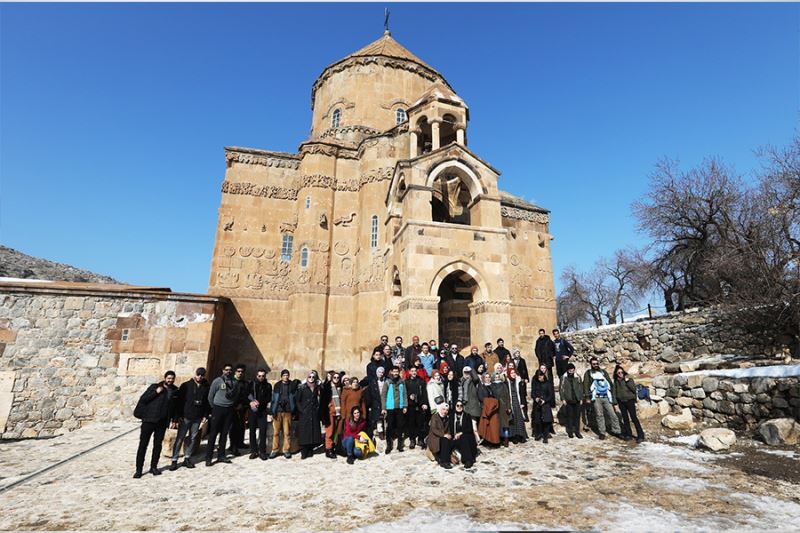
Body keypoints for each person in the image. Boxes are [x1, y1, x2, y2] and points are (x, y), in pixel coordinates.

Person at [133, 370, 178, 478]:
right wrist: (156, 392)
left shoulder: (175, 390)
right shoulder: (155, 387)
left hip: (162, 422)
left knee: (157, 446)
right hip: (149, 420)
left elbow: (175, 407)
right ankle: (139, 469)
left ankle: (154, 467)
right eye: (168, 378)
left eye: (172, 378)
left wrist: (174, 420)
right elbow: (143, 399)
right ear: (165, 378)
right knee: (143, 445)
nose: (170, 380)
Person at [170, 367, 210, 470]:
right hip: (185, 417)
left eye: (202, 375)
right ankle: (174, 460)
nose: (200, 377)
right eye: (198, 374)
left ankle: (187, 458)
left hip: (197, 417)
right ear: (195, 374)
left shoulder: (206, 387)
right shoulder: (186, 385)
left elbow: (207, 402)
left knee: (193, 438)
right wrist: (176, 418)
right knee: (180, 438)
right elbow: (179, 402)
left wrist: (205, 415)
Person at [205, 364, 241, 466]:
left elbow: (236, 395)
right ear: (223, 370)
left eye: (230, 370)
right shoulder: (217, 381)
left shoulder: (234, 382)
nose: (228, 371)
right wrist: (214, 407)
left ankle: (221, 455)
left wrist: (231, 404)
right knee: (213, 434)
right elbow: (210, 396)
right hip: (218, 408)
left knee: (224, 433)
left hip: (229, 409)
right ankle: (209, 457)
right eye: (226, 370)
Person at [583, 357, 621, 440]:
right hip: (596, 397)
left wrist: (613, 397)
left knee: (612, 414)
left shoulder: (603, 372)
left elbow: (610, 384)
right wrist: (587, 397)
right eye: (594, 364)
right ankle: (602, 432)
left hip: (606, 396)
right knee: (599, 415)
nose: (595, 365)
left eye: (597, 363)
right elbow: (585, 385)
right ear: (591, 364)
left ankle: (617, 431)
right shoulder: (588, 373)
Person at [612, 365, 645, 442]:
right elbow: (614, 392)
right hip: (621, 402)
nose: (620, 374)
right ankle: (628, 434)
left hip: (630, 401)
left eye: (621, 372)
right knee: (625, 419)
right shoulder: (616, 381)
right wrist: (615, 403)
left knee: (634, 418)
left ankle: (640, 435)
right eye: (618, 373)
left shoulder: (629, 379)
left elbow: (633, 389)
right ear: (616, 374)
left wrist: (627, 381)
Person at [245, 368, 272, 460]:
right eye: (259, 376)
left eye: (263, 376)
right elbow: (246, 395)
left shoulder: (268, 386)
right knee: (252, 431)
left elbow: (269, 397)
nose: (261, 377)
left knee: (263, 431)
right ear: (256, 376)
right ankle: (253, 451)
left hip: (262, 410)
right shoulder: (251, 384)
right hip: (252, 411)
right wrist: (250, 402)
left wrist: (259, 402)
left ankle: (262, 451)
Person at [381, 366, 408, 453]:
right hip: (390, 407)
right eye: (394, 371)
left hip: (399, 407)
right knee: (390, 427)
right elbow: (383, 395)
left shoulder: (402, 382)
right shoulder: (388, 382)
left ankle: (400, 445)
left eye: (397, 371)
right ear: (391, 372)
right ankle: (389, 445)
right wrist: (383, 407)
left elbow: (404, 394)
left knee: (400, 426)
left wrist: (405, 406)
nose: (396, 373)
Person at [296, 371, 322, 459]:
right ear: (307, 377)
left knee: (312, 431)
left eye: (313, 377)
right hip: (305, 413)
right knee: (304, 432)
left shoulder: (317, 387)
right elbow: (297, 401)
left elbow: (319, 398)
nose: (311, 378)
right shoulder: (302, 388)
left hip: (313, 412)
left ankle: (310, 449)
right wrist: (301, 410)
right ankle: (304, 450)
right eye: (309, 377)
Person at [270, 369, 295, 459]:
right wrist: (272, 411)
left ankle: (286, 450)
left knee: (287, 432)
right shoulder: (277, 385)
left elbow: (294, 397)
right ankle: (275, 450)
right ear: (281, 376)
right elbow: (273, 399)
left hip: (288, 411)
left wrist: (293, 409)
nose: (286, 376)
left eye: (287, 375)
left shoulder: (292, 385)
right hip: (278, 411)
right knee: (276, 432)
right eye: (284, 375)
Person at [320, 371, 344, 459]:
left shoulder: (340, 388)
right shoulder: (327, 387)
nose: (336, 379)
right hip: (329, 413)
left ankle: (333, 447)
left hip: (338, 413)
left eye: (338, 378)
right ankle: (328, 449)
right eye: (335, 377)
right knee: (329, 432)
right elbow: (323, 401)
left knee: (335, 432)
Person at [405, 366, 429, 449]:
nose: (414, 372)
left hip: (420, 405)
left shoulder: (421, 381)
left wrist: (425, 403)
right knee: (411, 423)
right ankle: (412, 439)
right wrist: (409, 396)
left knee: (421, 423)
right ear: (409, 372)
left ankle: (420, 439)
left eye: (415, 371)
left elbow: (425, 393)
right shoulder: (406, 382)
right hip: (411, 405)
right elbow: (405, 393)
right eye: (412, 371)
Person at [227, 364, 249, 456]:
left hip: (242, 408)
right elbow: (228, 395)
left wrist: (244, 405)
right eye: (238, 371)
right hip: (232, 408)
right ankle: (233, 446)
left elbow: (246, 395)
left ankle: (240, 442)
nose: (240, 373)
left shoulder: (245, 383)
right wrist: (234, 405)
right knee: (233, 428)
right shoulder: (230, 382)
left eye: (242, 372)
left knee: (241, 426)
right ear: (235, 372)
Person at [449, 400, 477, 468]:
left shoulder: (467, 416)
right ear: (455, 406)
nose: (459, 407)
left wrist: (461, 433)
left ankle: (468, 460)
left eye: (461, 405)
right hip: (455, 438)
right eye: (457, 405)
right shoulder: (451, 416)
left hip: (465, 437)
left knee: (464, 438)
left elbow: (470, 429)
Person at [559, 363, 583, 439]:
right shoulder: (563, 377)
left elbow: (581, 388)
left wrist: (581, 398)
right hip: (568, 400)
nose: (571, 371)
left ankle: (577, 432)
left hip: (577, 399)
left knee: (577, 416)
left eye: (572, 369)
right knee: (569, 416)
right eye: (570, 369)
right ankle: (570, 432)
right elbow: (561, 389)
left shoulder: (578, 377)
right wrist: (563, 399)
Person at [458, 366, 481, 444]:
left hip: (472, 403)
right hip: (464, 403)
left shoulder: (472, 380)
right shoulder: (461, 380)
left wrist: (471, 370)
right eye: (465, 372)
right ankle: (471, 439)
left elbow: (476, 378)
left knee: (473, 421)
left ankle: (477, 438)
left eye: (468, 373)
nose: (466, 374)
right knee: (467, 423)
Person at [531, 369, 554, 443]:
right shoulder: (536, 383)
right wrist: (536, 398)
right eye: (538, 377)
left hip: (545, 404)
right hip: (537, 404)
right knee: (538, 420)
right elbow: (533, 393)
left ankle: (545, 435)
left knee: (546, 421)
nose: (540, 378)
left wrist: (545, 400)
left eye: (541, 377)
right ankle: (539, 434)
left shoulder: (547, 383)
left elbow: (550, 395)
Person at [506, 367, 528, 443]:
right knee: (513, 419)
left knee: (519, 419)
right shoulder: (507, 382)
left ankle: (521, 435)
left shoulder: (518, 381)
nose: (513, 374)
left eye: (514, 372)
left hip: (517, 402)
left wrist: (522, 403)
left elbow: (522, 393)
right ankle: (514, 436)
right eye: (511, 373)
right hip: (511, 401)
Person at [427, 403, 453, 469]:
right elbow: (433, 429)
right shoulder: (434, 417)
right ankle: (444, 462)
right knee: (444, 440)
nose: (445, 411)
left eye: (447, 410)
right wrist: (444, 435)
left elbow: (448, 429)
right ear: (440, 409)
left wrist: (448, 435)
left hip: (442, 437)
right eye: (443, 409)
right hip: (435, 438)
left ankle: (445, 460)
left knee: (447, 440)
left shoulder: (446, 418)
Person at [477, 372, 500, 445]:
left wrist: (493, 403)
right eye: (486, 377)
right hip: (485, 408)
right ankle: (486, 440)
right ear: (483, 378)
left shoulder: (493, 386)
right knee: (486, 425)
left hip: (493, 409)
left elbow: (497, 396)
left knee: (493, 426)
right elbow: (481, 397)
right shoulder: (481, 387)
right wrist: (489, 403)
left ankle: (494, 441)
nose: (488, 379)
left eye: (489, 377)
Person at [364, 366, 387, 438]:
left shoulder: (386, 381)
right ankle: (380, 432)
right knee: (378, 418)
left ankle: (386, 431)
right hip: (376, 403)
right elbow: (370, 394)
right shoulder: (373, 382)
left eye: (382, 372)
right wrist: (369, 405)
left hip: (385, 401)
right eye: (379, 372)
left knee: (385, 418)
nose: (381, 374)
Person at [491, 371, 512, 447]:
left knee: (505, 425)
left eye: (498, 376)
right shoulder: (492, 386)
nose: (497, 378)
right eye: (496, 377)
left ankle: (506, 440)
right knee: (497, 424)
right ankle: (498, 440)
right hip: (495, 407)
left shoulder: (503, 385)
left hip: (504, 407)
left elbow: (507, 397)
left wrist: (509, 406)